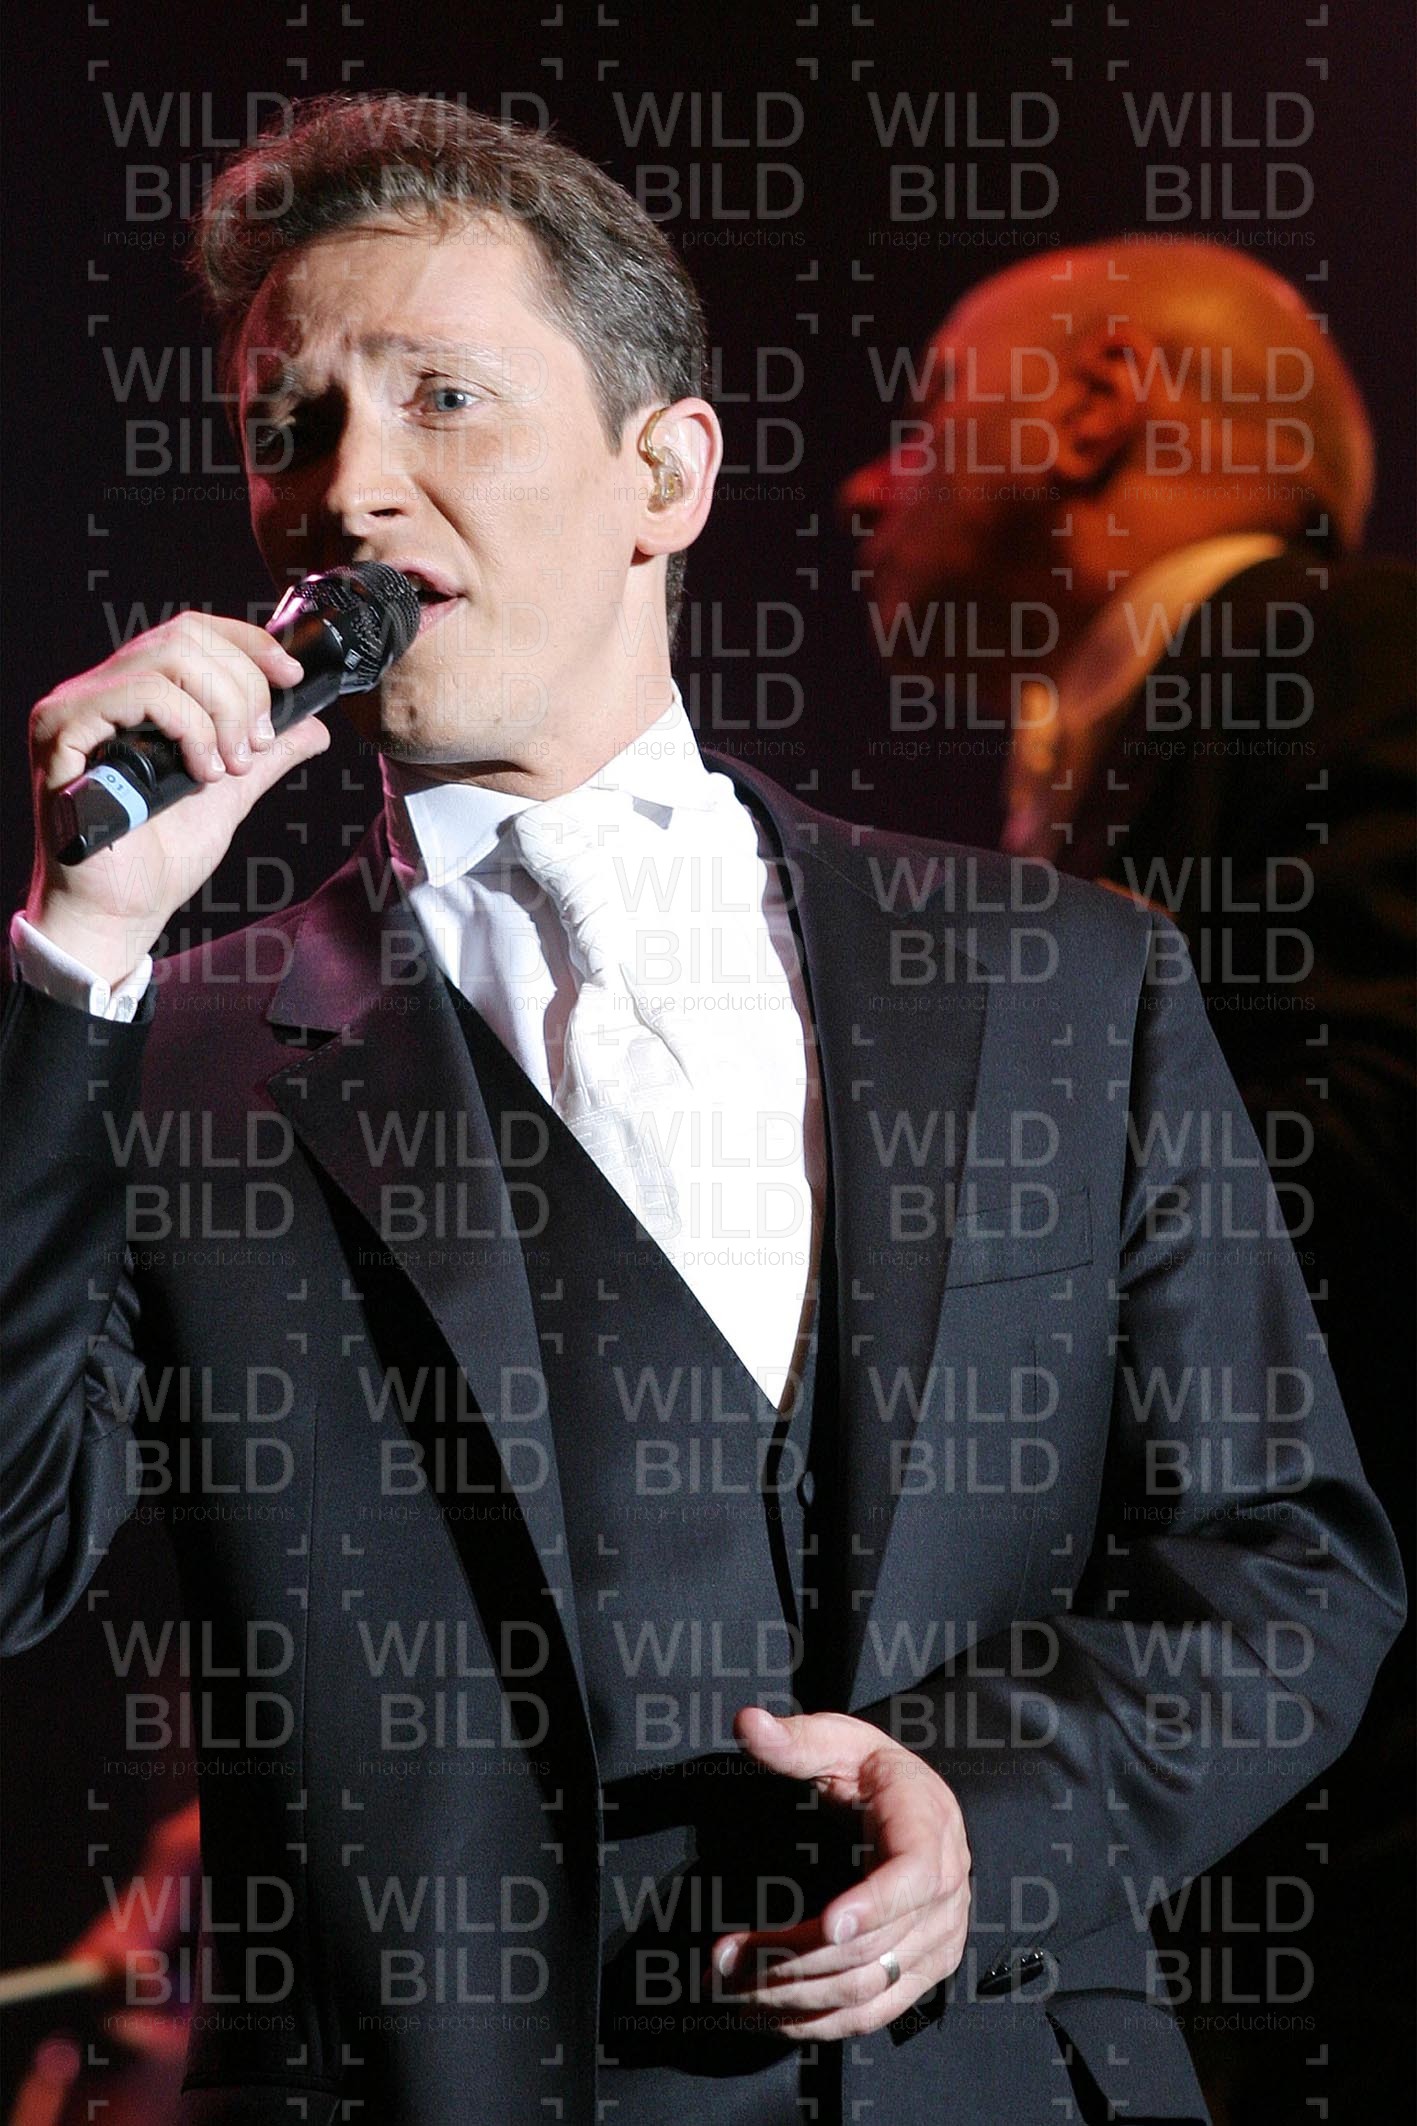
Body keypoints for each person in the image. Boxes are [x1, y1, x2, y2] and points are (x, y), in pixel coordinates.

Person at [1, 104, 1403, 2126]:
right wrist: (78, 954)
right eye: (290, 428)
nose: (345, 488)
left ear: (662, 472)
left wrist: (995, 1815)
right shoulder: (175, 1052)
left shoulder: (1058, 978)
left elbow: (1283, 1562)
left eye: (441, 398)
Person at [840, 234, 1415, 2118]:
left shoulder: (1347, 660)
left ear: (1098, 406)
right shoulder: (1141, 743)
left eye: (928, 411)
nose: (863, 482)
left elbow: (1366, 1150)